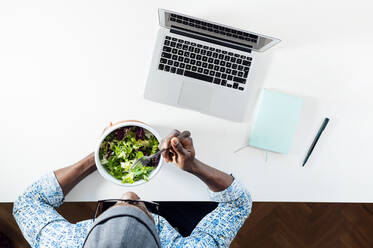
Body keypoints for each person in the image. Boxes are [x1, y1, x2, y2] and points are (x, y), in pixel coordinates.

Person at [13, 129, 252, 248]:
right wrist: (194, 167)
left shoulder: (62, 243)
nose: (129, 195)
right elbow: (238, 204)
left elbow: (28, 204)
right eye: (138, 208)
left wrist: (98, 158)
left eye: (116, 207)